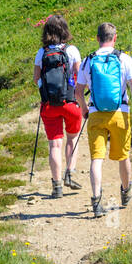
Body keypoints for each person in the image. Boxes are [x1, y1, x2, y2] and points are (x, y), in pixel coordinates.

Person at [75, 22, 132, 218]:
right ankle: (125, 191)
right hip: (120, 113)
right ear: (115, 38)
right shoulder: (124, 59)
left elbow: (78, 92)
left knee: (96, 159)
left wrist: (84, 110)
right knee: (123, 156)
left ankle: (96, 201)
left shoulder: (88, 61)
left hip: (96, 114)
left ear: (97, 38)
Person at [33, 13, 83, 199]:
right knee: (72, 138)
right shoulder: (72, 51)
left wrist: (45, 93)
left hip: (49, 105)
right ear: (65, 30)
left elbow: (36, 78)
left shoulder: (42, 53)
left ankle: (57, 186)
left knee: (55, 144)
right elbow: (79, 75)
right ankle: (69, 173)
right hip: (70, 102)